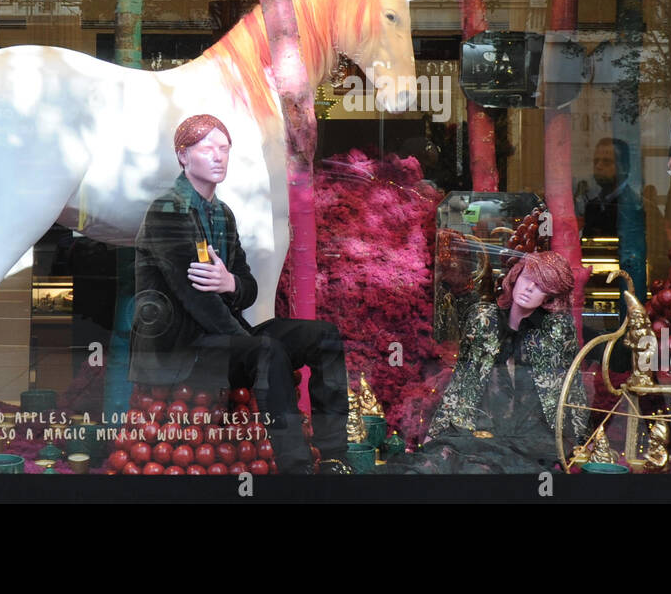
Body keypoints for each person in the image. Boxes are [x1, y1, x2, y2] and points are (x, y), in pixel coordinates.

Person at [128, 114, 351, 474]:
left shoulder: (222, 215)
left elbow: (247, 288)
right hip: (181, 350)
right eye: (206, 149)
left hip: (222, 338)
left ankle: (334, 456)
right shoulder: (168, 213)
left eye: (224, 149)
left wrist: (229, 283)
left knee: (322, 336)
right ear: (183, 156)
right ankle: (299, 472)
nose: (218, 157)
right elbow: (196, 299)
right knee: (265, 350)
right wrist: (248, 344)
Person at [388, 250, 587, 473]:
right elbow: (463, 379)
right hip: (480, 429)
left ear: (549, 296)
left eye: (541, 286)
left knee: (483, 471)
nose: (530, 288)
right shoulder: (483, 320)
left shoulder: (556, 330)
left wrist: (576, 440)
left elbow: (572, 385)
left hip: (532, 437)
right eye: (527, 278)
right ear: (515, 276)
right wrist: (435, 432)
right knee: (433, 463)